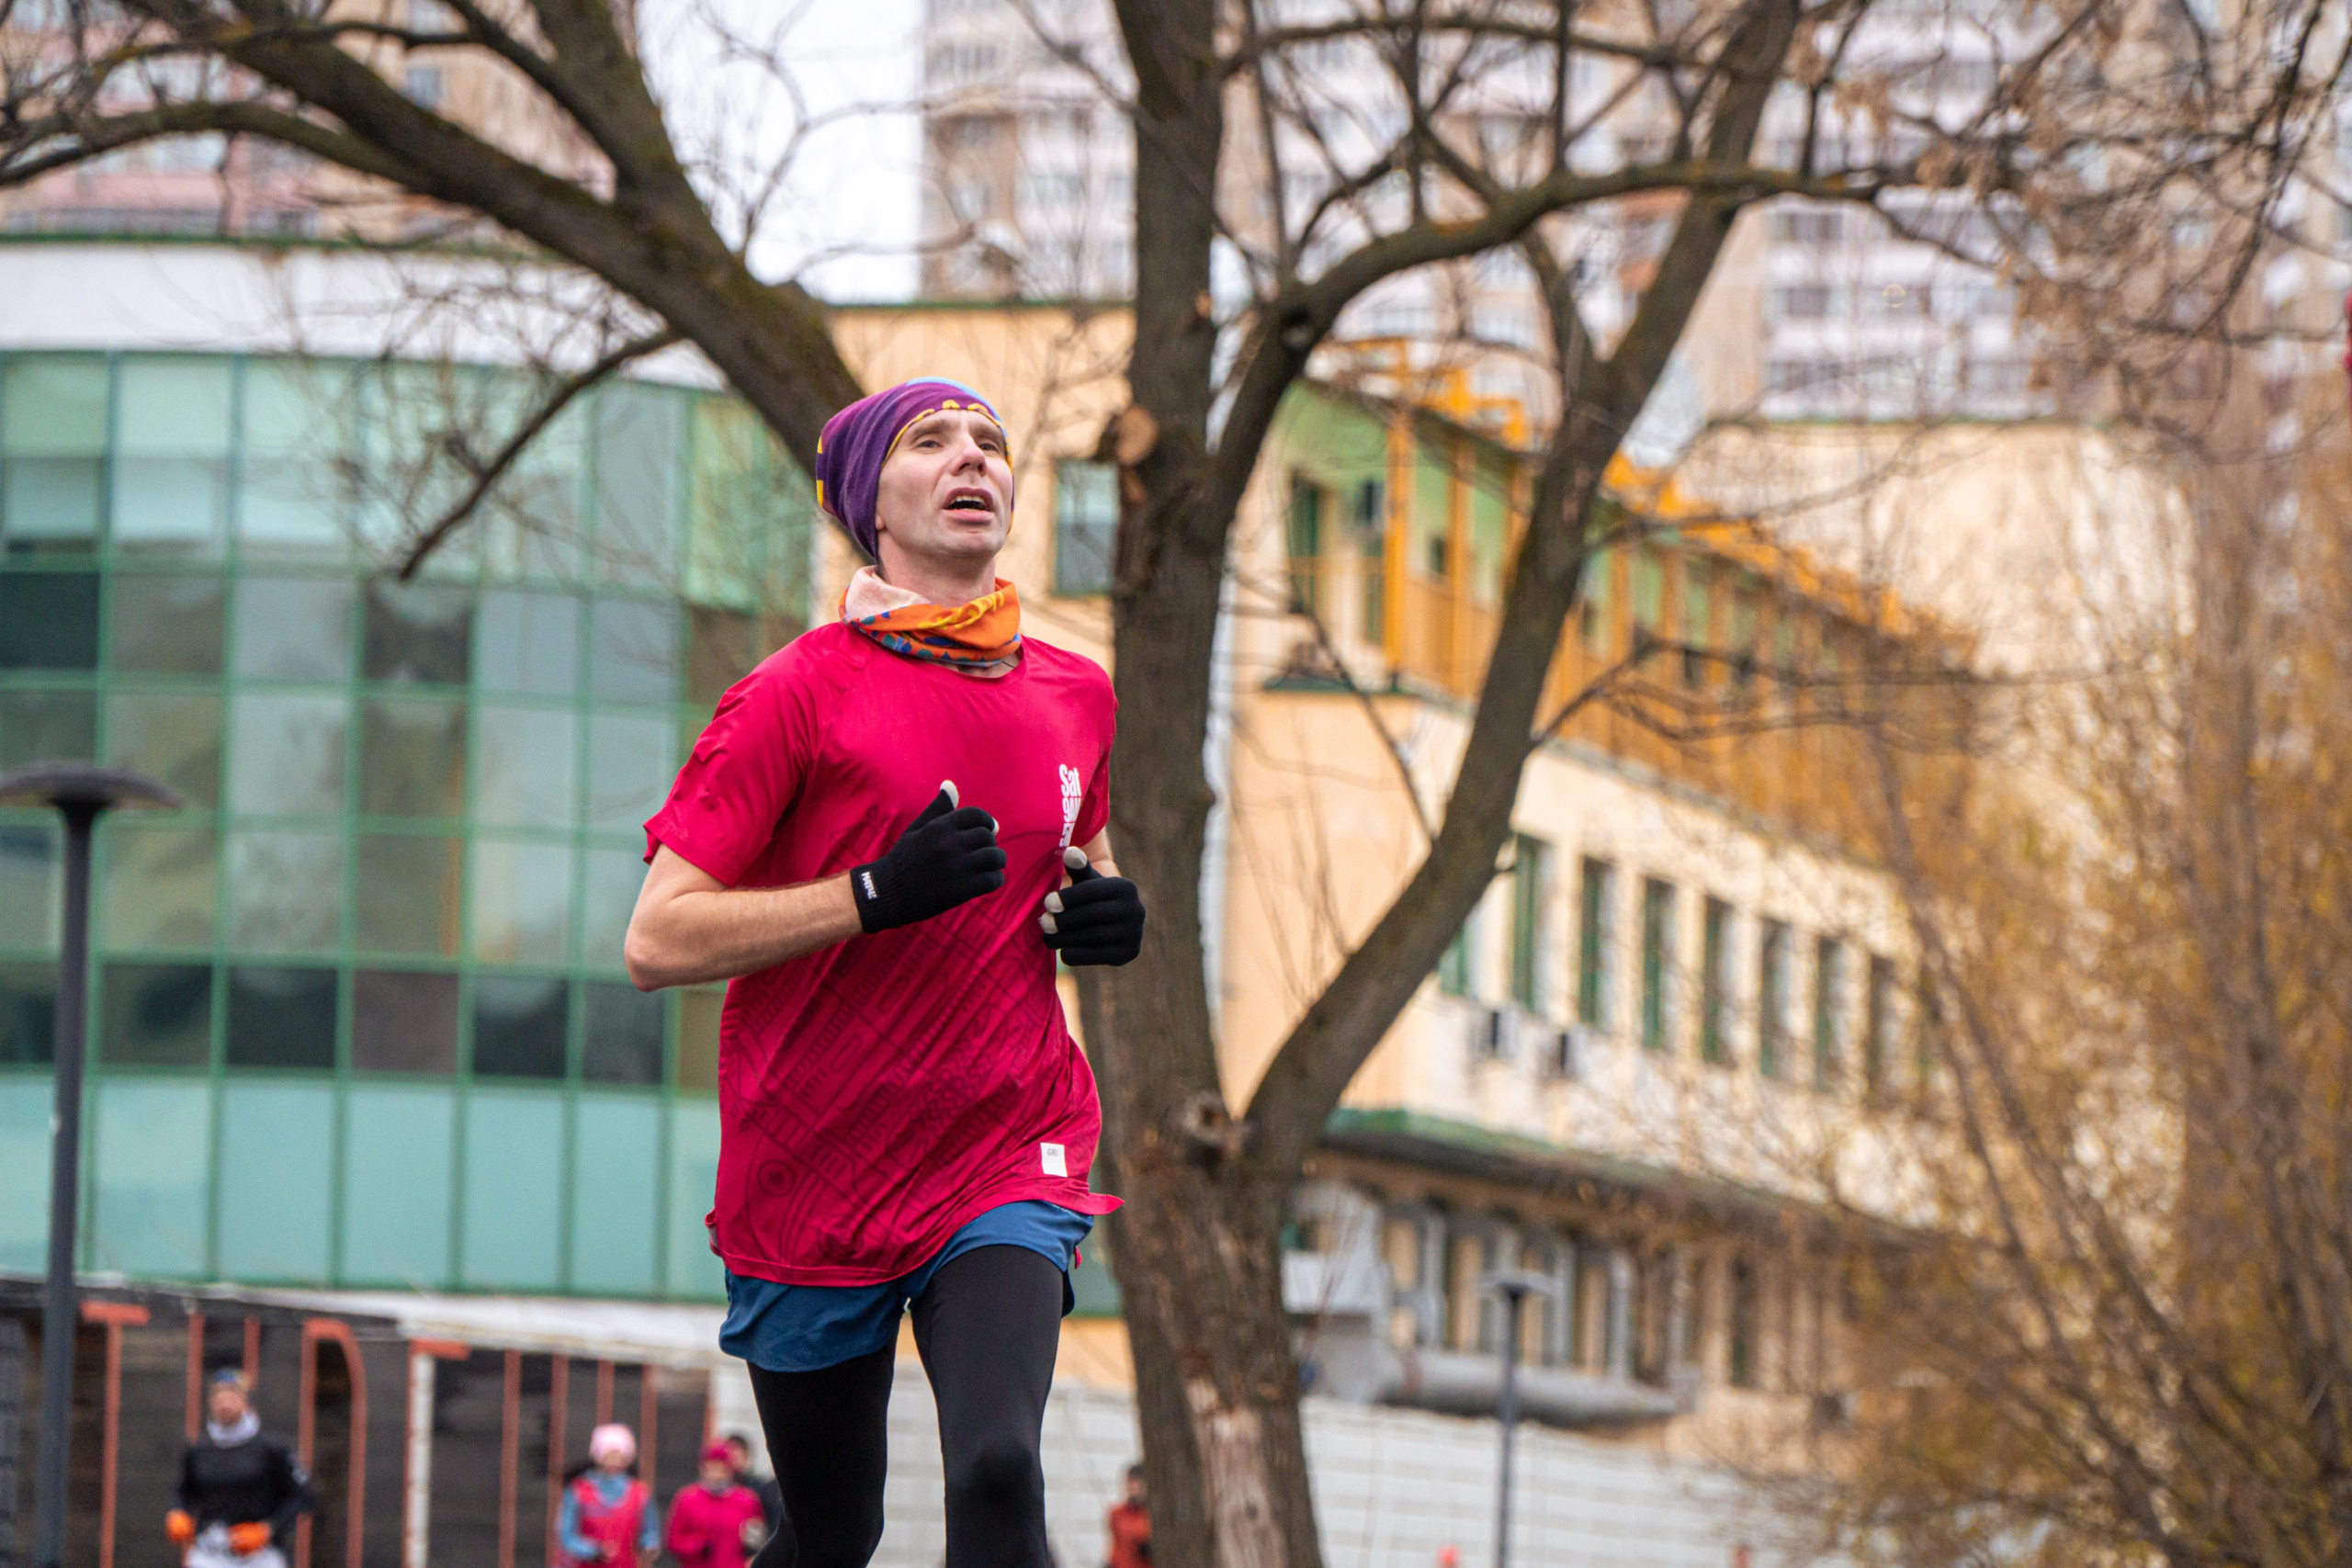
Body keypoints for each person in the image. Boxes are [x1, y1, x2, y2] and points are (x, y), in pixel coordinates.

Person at [627, 377, 1147, 1568]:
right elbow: (656, 940)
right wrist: (871, 894)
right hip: (814, 1165)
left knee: (1000, 1467)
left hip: (1005, 1143)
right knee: (831, 1531)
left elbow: (1086, 855)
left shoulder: (1077, 694)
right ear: (872, 502)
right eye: (931, 440)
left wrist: (1111, 914)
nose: (973, 457)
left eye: (990, 442)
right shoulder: (791, 694)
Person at [164, 1369, 314, 1568]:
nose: (225, 1404)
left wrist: (267, 1530)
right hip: (209, 1552)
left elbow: (304, 1496)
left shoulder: (272, 1449)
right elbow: (184, 1491)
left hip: (260, 1556)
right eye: (219, 1397)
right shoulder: (198, 1449)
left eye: (232, 1396)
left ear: (245, 1401)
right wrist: (177, 1513)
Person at [556, 1424, 660, 1567]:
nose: (613, 1461)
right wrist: (592, 1551)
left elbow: (650, 1531)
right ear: (598, 1456)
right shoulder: (578, 1491)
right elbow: (566, 1536)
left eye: (619, 1456)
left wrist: (650, 1545)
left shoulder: (640, 1493)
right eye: (608, 1455)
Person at [667, 1441, 771, 1568]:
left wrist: (752, 1556)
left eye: (722, 1469)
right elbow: (673, 1541)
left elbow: (758, 1541)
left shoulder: (747, 1501)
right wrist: (697, 1545)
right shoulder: (687, 1499)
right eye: (712, 1468)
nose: (717, 1475)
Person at [718, 1432, 784, 1540]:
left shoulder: (760, 1488)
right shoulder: (716, 1489)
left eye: (738, 1455)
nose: (734, 1461)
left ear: (746, 1456)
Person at [1104, 1464, 1150, 1568]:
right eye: (1130, 1482)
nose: (1131, 1487)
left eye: (1137, 1483)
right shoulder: (1117, 1514)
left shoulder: (1149, 1516)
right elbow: (1115, 1549)